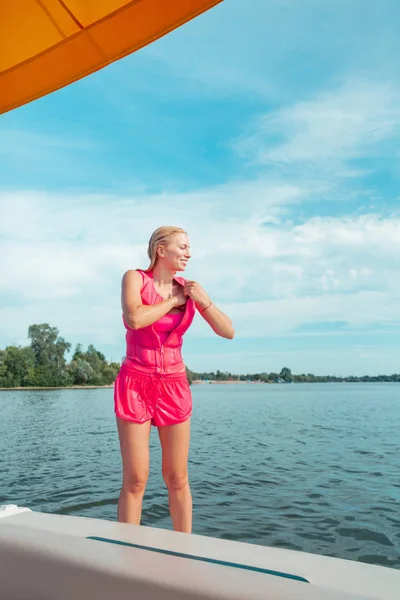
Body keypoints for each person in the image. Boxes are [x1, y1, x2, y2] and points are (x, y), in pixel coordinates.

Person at [114, 226, 234, 533]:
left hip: (173, 385)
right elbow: (135, 318)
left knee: (177, 477)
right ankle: (126, 551)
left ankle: (185, 551)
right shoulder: (135, 278)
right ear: (160, 251)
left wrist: (202, 299)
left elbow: (227, 331)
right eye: (182, 247)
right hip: (135, 383)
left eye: (189, 248)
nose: (188, 253)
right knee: (136, 478)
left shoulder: (190, 288)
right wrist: (172, 300)